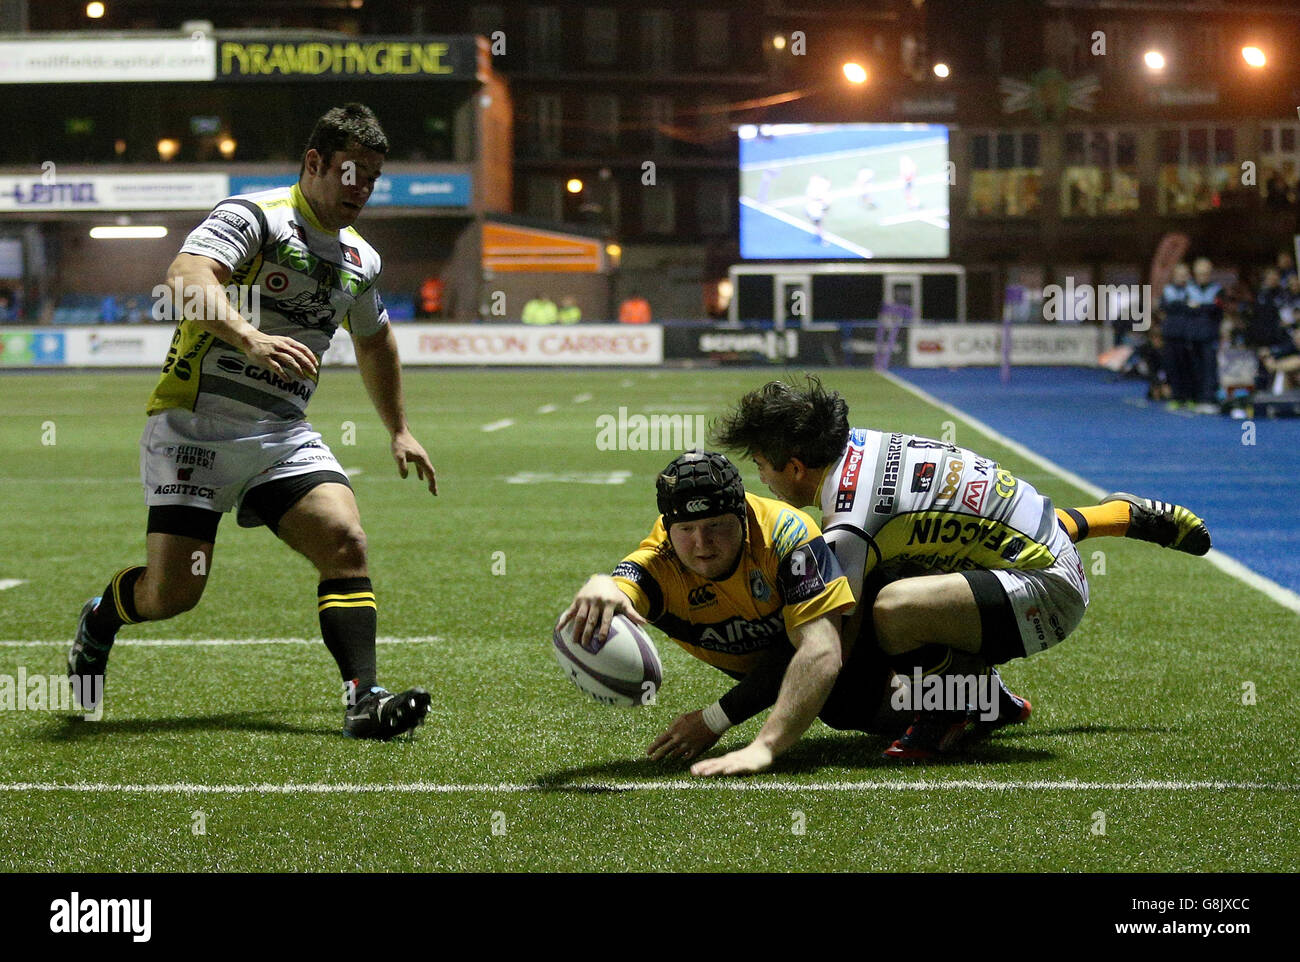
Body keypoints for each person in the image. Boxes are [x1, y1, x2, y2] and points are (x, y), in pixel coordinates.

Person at [68, 103, 436, 740]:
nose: (362, 189)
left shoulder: (361, 260)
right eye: (351, 172)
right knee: (171, 596)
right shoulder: (255, 218)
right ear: (314, 164)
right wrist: (247, 335)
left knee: (345, 542)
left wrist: (398, 428)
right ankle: (102, 619)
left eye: (373, 177)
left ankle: (363, 700)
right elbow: (185, 277)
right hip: (194, 428)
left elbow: (375, 341)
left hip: (280, 437)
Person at [712, 376, 1212, 759]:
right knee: (912, 558)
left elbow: (829, 649)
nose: (763, 478)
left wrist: (743, 724)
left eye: (762, 464)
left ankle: (952, 709)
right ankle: (1116, 517)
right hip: (1027, 539)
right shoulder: (859, 443)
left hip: (1050, 593)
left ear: (795, 467)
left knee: (891, 610)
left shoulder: (849, 512)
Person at [559, 451, 947, 777]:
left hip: (856, 629)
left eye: (715, 526)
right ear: (666, 528)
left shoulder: (784, 534)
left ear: (742, 516)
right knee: (845, 707)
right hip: (793, 658)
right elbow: (625, 585)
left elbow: (818, 652)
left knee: (859, 687)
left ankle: (968, 685)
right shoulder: (659, 564)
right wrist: (603, 584)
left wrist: (717, 721)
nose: (701, 544)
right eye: (686, 529)